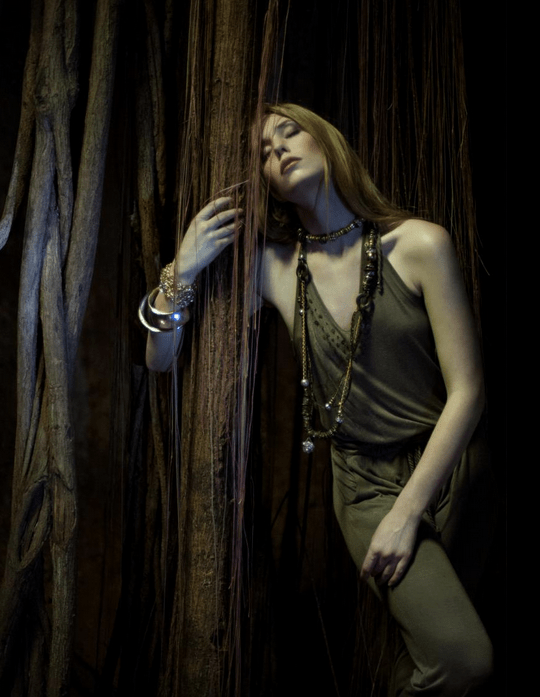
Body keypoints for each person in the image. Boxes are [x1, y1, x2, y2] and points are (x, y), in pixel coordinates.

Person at [141, 103, 494, 695]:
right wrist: (183, 266)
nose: (278, 149)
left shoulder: (420, 244)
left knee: (416, 658)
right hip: (365, 487)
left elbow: (470, 391)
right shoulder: (275, 269)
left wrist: (410, 511)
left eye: (290, 132)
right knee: (465, 660)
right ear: (267, 183)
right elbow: (160, 359)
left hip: (457, 469)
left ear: (328, 142)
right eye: (263, 151)